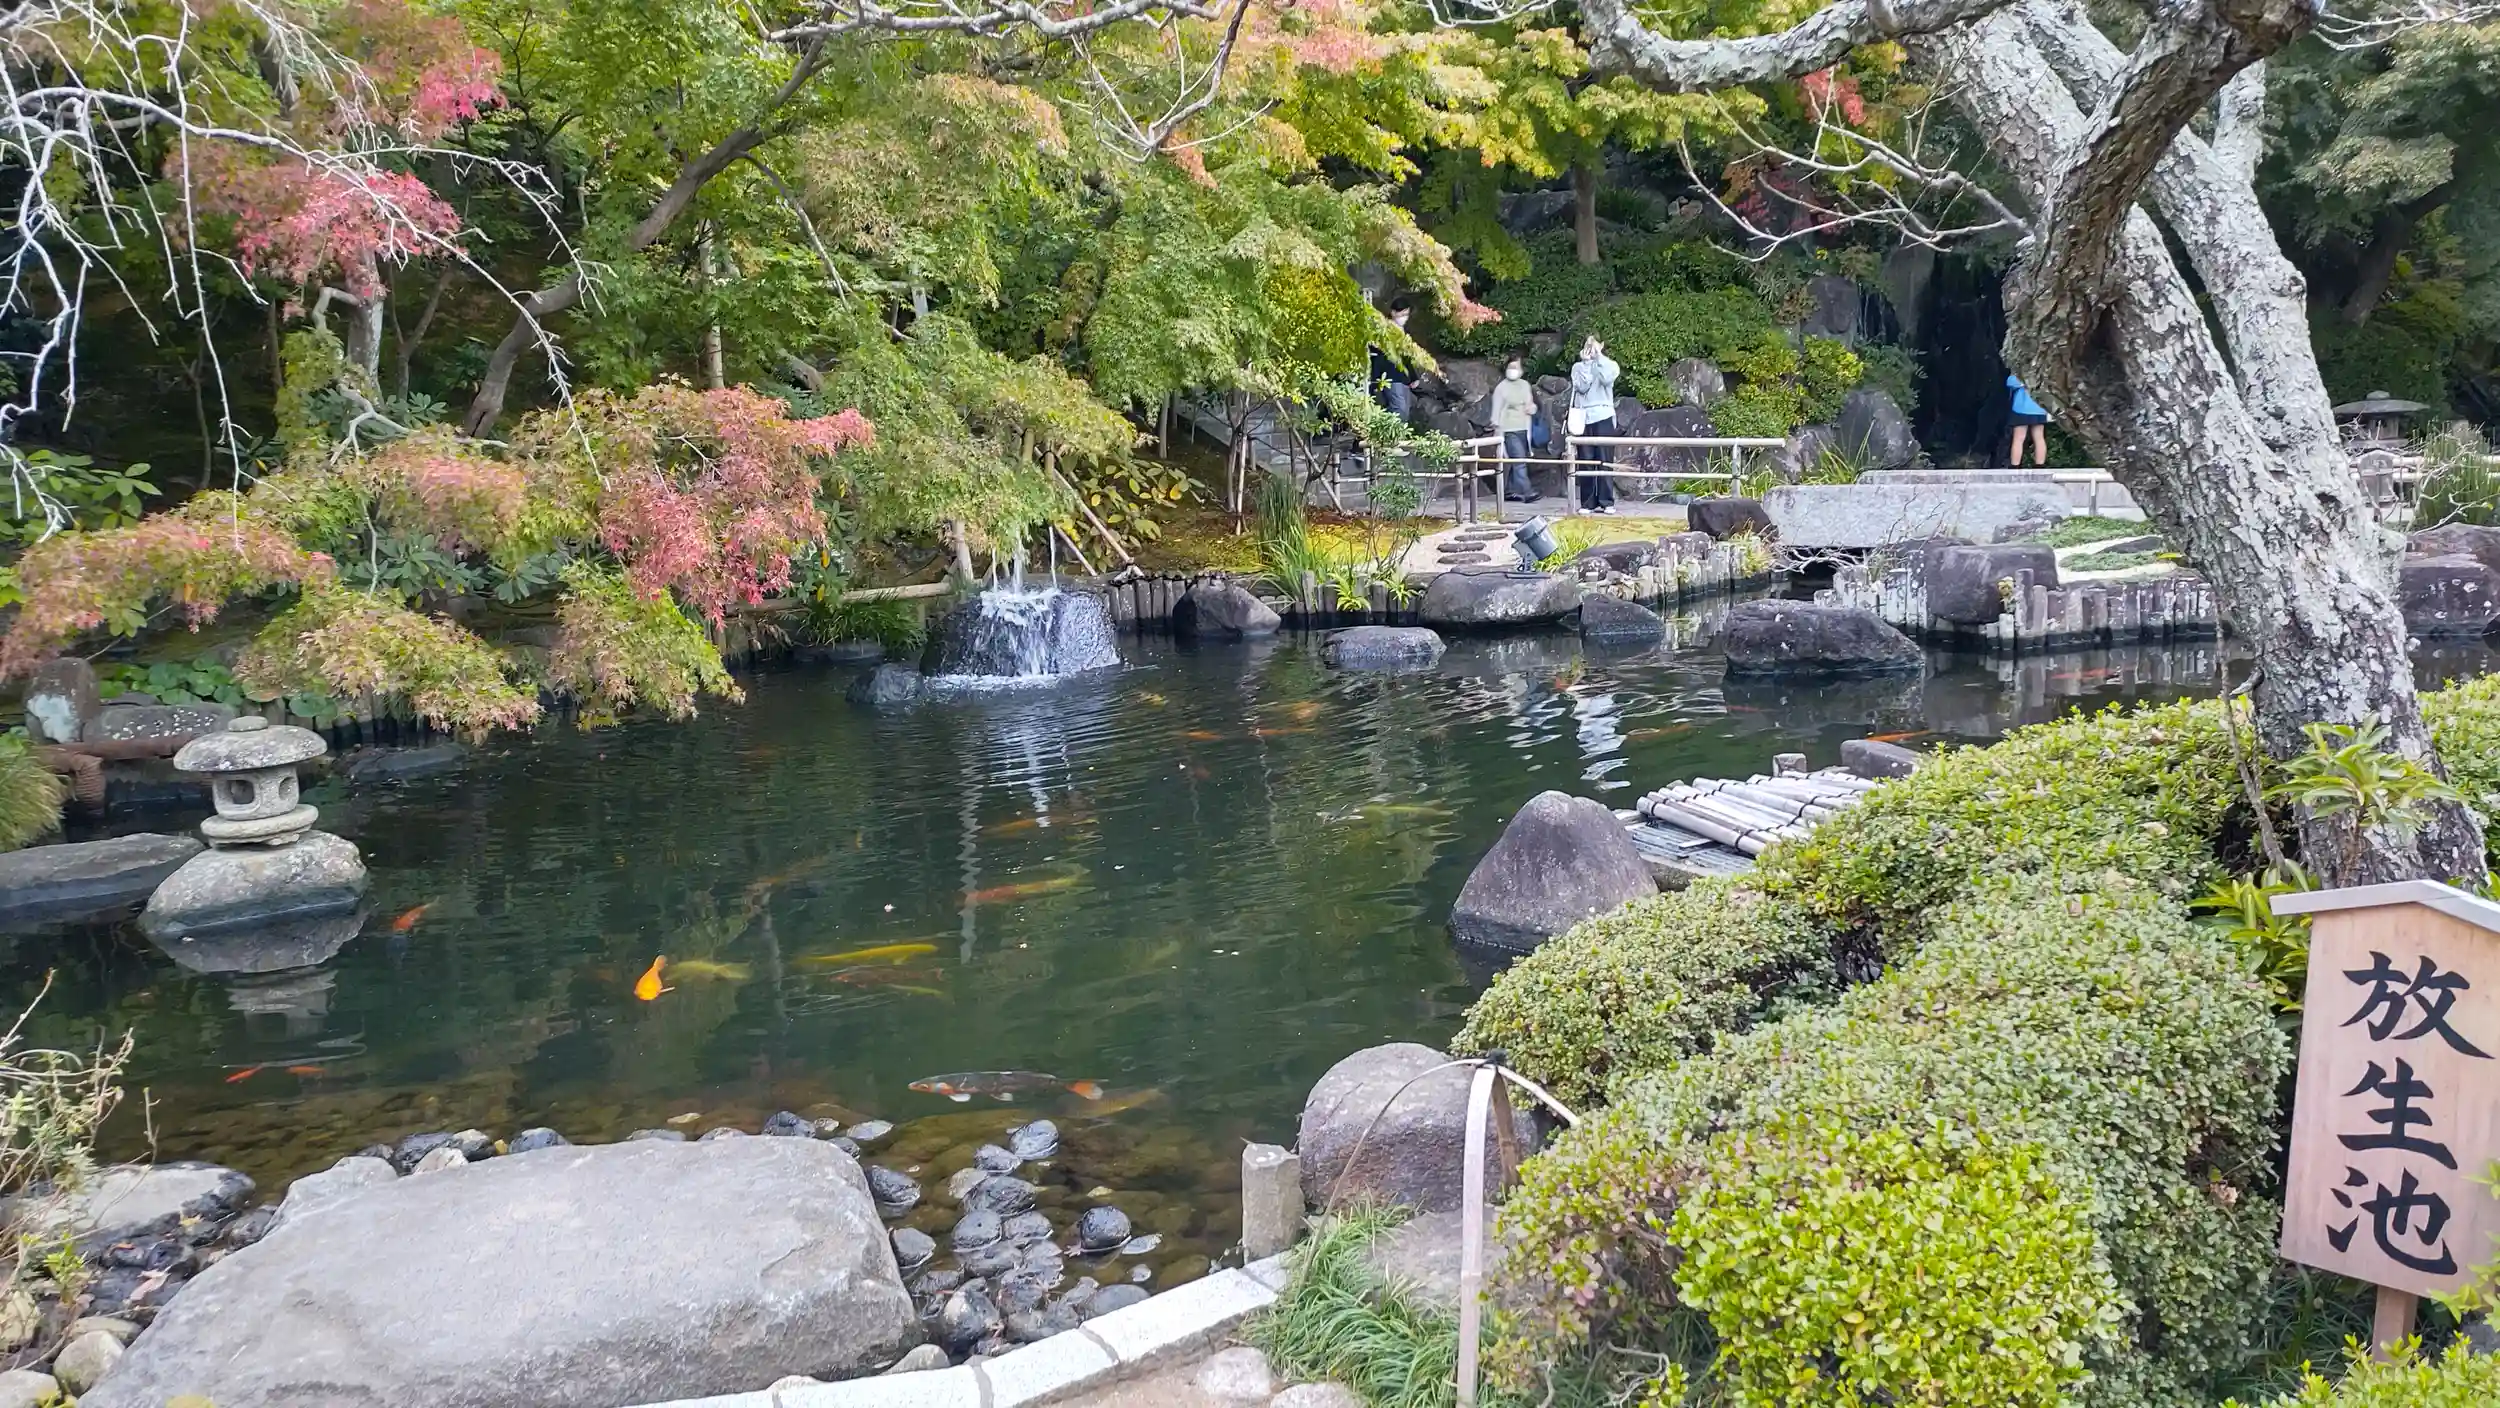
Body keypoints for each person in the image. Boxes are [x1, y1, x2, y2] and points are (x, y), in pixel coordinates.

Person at [1570, 335, 1620, 513]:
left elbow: (1607, 379)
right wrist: (1585, 364)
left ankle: (1607, 501)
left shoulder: (1610, 364)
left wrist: (1599, 358)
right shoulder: (1577, 367)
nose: (1590, 347)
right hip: (1583, 416)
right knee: (1586, 460)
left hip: (1603, 415)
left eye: (1594, 343)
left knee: (1605, 459)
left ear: (1602, 344)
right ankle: (1587, 502)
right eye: (1588, 343)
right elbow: (1581, 387)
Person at [1488, 356, 1538, 501]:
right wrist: (1496, 428)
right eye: (1510, 367)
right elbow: (1496, 411)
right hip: (1508, 429)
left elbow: (1530, 404)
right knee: (1519, 460)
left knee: (1517, 460)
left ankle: (1509, 491)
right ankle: (1527, 492)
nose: (1513, 370)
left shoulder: (1525, 385)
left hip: (1524, 428)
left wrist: (1532, 408)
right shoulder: (1501, 388)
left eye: (1516, 367)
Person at [1369, 299, 1416, 425]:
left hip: (1402, 377)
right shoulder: (1384, 329)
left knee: (1404, 413)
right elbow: (1375, 350)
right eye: (1402, 314)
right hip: (1389, 376)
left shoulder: (1404, 332)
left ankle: (1392, 434)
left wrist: (1413, 377)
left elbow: (1406, 357)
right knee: (1399, 409)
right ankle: (1379, 428)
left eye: (1406, 314)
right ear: (1393, 312)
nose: (1404, 317)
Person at [2007, 373, 2049, 467]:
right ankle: (2040, 465)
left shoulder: (2021, 371)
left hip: (2021, 408)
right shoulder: (2042, 371)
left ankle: (2015, 466)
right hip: (2039, 407)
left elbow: (2010, 382)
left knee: (2018, 438)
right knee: (2039, 437)